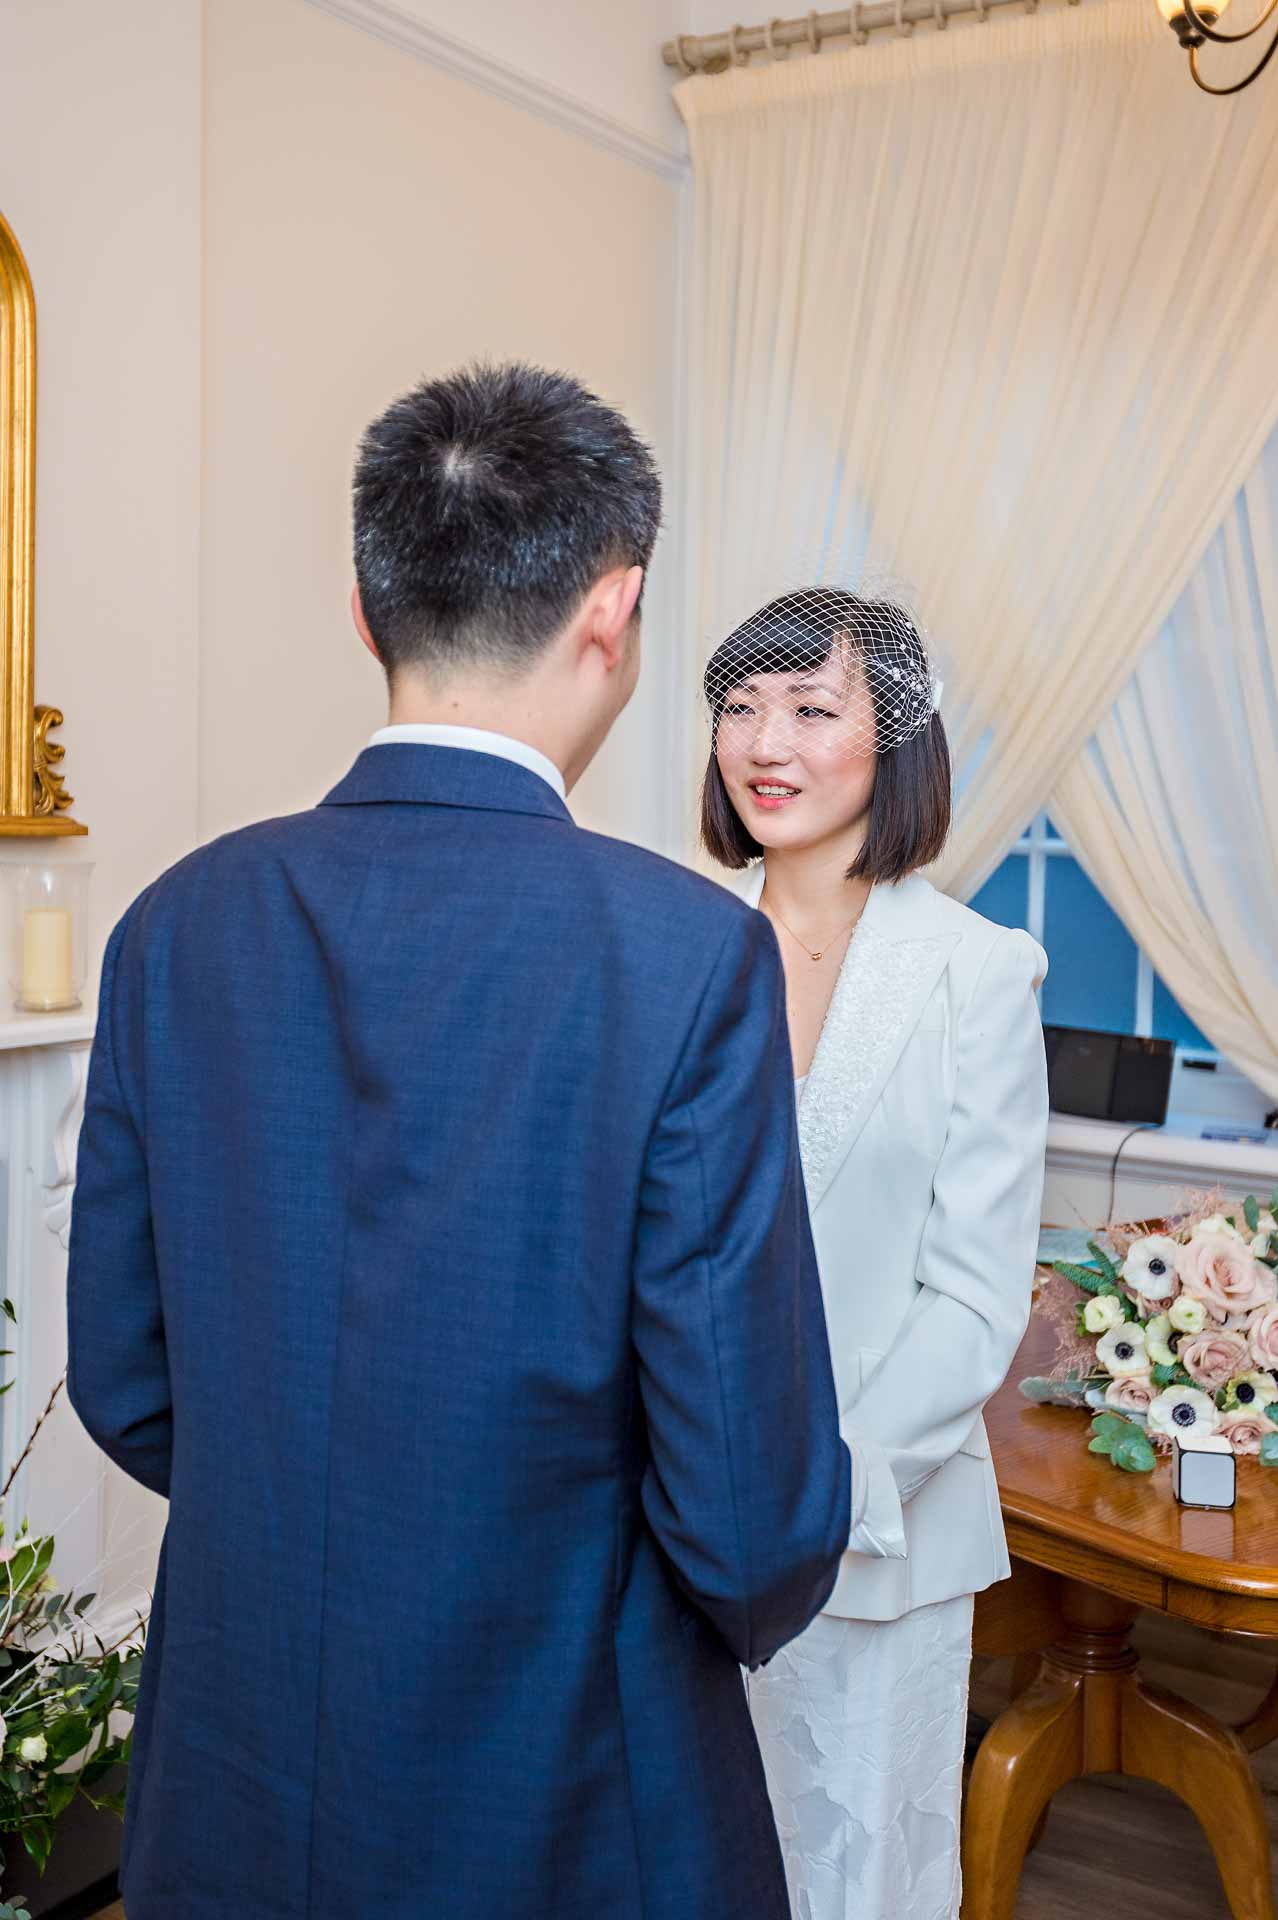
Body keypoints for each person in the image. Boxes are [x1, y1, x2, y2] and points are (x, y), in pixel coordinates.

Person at [66, 366, 852, 1920]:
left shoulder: (175, 925)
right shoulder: (682, 954)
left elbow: (129, 1376)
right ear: (612, 611)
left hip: (237, 1751)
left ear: (368, 612)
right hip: (566, 1760)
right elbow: (747, 1507)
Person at [701, 587, 1049, 1920]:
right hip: (670, 1522)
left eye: (808, 707)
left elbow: (972, 1297)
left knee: (854, 1870)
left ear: (892, 739)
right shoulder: (681, 948)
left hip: (871, 1528)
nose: (763, 742)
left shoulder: (975, 972)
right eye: (737, 707)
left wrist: (814, 1486)